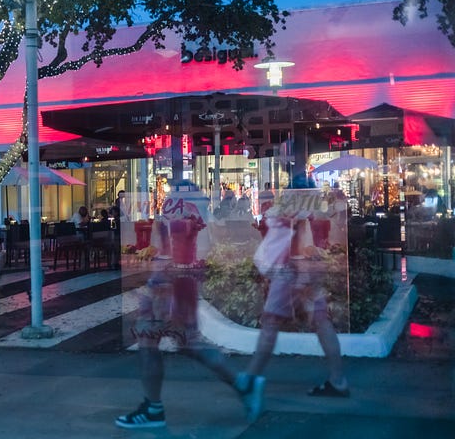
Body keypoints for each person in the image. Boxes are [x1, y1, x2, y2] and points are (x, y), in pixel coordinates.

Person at [115, 182, 258, 429]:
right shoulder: (191, 208)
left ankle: (154, 408)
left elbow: (182, 245)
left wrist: (163, 279)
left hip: (172, 280)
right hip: (175, 279)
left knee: (157, 340)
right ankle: (241, 383)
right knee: (187, 343)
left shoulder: (186, 209)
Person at [240, 180, 350, 424]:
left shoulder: (293, 205)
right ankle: (338, 379)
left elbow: (289, 235)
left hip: (290, 270)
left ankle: (250, 378)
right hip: (306, 268)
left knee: (270, 323)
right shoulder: (309, 204)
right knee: (321, 322)